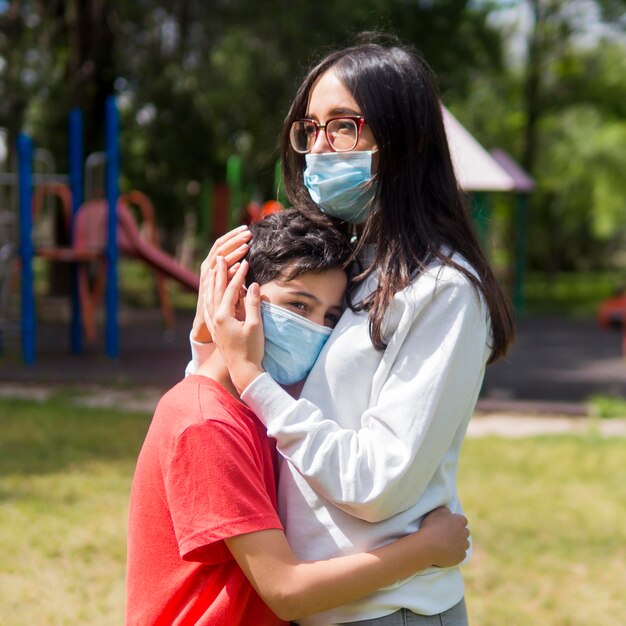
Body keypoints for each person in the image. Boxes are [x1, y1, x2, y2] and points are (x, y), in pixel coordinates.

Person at [192, 38, 515, 626]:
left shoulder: (441, 290)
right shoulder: (343, 266)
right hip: (314, 603)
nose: (320, 147)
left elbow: (379, 482)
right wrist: (212, 343)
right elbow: (283, 403)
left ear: (403, 139)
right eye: (309, 127)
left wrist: (249, 375)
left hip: (388, 610)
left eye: (343, 126)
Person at [126, 209, 471, 626]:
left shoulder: (266, 406)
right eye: (297, 305)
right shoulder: (207, 424)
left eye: (329, 318)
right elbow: (286, 591)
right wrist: (426, 548)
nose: (313, 330)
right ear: (236, 294)